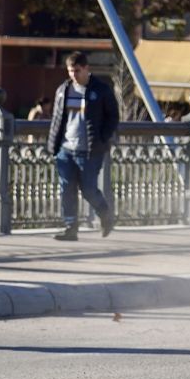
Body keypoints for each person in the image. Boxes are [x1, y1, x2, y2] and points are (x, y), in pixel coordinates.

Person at [47, 50, 119, 241]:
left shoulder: (101, 90)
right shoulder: (63, 90)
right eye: (70, 71)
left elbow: (113, 117)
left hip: (90, 150)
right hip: (66, 149)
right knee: (66, 188)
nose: (73, 75)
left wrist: (102, 138)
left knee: (88, 189)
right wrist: (53, 145)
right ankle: (70, 227)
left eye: (77, 70)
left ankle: (105, 215)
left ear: (87, 68)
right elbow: (57, 119)